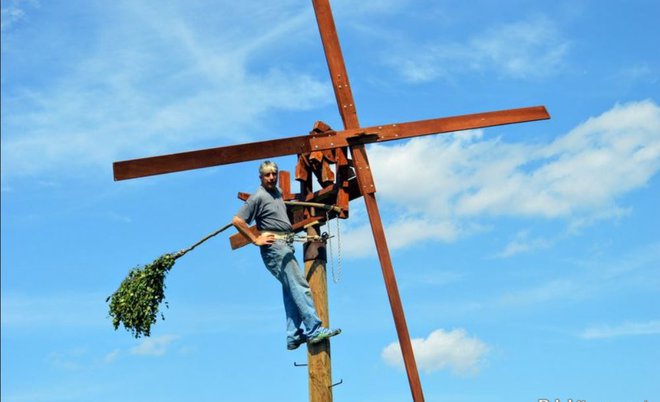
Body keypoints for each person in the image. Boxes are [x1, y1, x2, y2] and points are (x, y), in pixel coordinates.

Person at [232, 160, 341, 350]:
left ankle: (293, 335)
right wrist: (255, 239)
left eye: (274, 173)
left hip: (285, 243)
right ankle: (314, 330)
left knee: (291, 290)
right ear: (261, 177)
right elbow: (237, 220)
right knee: (300, 286)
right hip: (275, 246)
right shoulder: (257, 197)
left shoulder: (278, 193)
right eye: (267, 175)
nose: (272, 177)